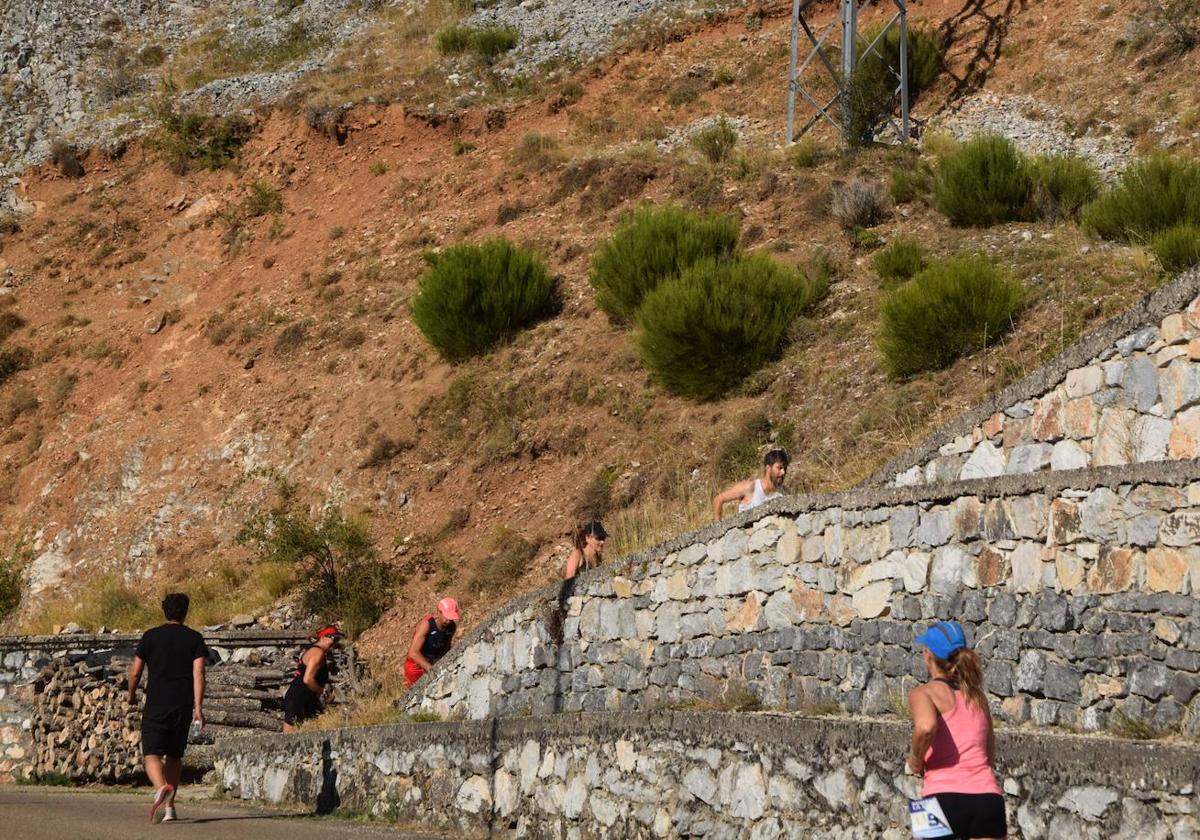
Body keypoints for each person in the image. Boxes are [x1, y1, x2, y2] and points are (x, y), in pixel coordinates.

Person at [907, 620, 1007, 840]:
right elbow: (988, 756)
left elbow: (925, 727)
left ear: (928, 655)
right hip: (987, 798)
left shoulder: (923, 693)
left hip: (938, 796)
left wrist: (915, 760)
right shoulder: (978, 698)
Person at [127, 592, 207, 824]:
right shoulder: (194, 638)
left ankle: (161, 788)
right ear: (185, 612)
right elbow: (199, 673)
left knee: (151, 754)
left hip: (156, 703)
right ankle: (170, 810)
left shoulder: (150, 637)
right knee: (174, 755)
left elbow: (135, 671)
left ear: (164, 611)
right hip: (182, 704)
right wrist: (198, 707)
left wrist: (132, 694)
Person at [282, 624, 344, 732]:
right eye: (334, 638)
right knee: (290, 738)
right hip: (298, 698)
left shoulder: (318, 652)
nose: (335, 643)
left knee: (319, 727)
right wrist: (324, 692)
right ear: (324, 637)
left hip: (307, 699)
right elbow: (308, 679)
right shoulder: (317, 653)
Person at [711, 449, 789, 520]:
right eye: (779, 468)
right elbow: (718, 499)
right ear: (768, 468)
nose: (783, 472)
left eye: (785, 468)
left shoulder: (782, 494)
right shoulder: (751, 487)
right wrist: (718, 529)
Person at [404, 597, 459, 688]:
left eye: (451, 618)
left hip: (434, 661)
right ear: (439, 612)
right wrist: (430, 668)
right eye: (446, 617)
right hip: (416, 666)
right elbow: (413, 652)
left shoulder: (451, 627)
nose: (448, 621)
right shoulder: (427, 625)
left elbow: (446, 647)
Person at [558, 520, 608, 611]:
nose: (602, 542)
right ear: (587, 538)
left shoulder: (599, 559)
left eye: (603, 538)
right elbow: (568, 583)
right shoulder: (577, 555)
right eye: (598, 538)